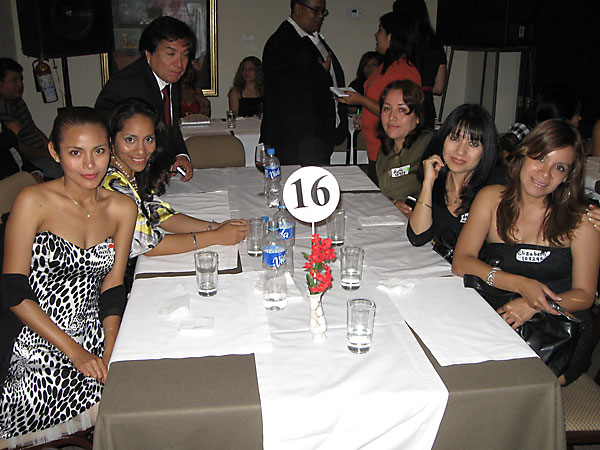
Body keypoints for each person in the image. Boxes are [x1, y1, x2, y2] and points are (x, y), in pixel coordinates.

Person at [0, 107, 136, 441]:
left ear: (110, 150)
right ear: (54, 152)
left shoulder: (122, 208)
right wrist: (75, 352)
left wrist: (111, 346)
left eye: (99, 151)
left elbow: (113, 285)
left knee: (139, 393)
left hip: (95, 332)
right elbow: (13, 290)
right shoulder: (33, 200)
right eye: (75, 153)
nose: (90, 165)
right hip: (35, 339)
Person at [452, 119, 600, 385]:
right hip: (500, 314)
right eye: (540, 158)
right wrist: (521, 285)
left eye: (559, 167)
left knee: (514, 386)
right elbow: (461, 262)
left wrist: (533, 304)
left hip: (559, 329)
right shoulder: (491, 199)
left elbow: (585, 295)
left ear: (568, 176)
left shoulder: (582, 220)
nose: (545, 174)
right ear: (523, 155)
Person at [103, 98, 248, 259]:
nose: (141, 150)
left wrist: (215, 227)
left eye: (148, 139)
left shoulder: (131, 173)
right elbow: (147, 245)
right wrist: (216, 237)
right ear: (111, 141)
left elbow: (161, 215)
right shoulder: (111, 183)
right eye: (130, 140)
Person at [95, 16, 195, 181]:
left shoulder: (170, 80)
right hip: (126, 179)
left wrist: (180, 155)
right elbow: (103, 138)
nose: (180, 64)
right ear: (148, 54)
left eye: (185, 55)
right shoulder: (127, 85)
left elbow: (170, 127)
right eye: (171, 54)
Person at [261, 0, 348, 165]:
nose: (321, 16)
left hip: (315, 139)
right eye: (316, 10)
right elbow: (284, 90)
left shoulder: (312, 38)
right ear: (298, 8)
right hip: (294, 142)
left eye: (323, 11)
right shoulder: (281, 41)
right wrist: (320, 73)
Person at [339, 12, 421, 183]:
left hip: (389, 151)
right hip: (375, 149)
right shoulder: (386, 66)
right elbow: (377, 102)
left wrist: (361, 100)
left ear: (391, 37)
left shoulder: (404, 71)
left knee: (387, 194)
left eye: (380, 30)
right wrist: (362, 113)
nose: (376, 35)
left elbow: (398, 113)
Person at [407, 104, 502, 251]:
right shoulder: (438, 179)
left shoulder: (494, 189)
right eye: (455, 138)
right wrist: (428, 183)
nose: (460, 151)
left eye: (473, 144)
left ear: (485, 150)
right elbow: (417, 237)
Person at [375, 80, 433, 216]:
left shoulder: (429, 145)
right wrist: (394, 203)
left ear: (418, 117)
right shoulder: (386, 147)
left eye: (402, 110)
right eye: (387, 109)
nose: (391, 117)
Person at [0, 57, 61, 179]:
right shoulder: (3, 108)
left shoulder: (18, 101)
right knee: (62, 169)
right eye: (14, 80)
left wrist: (50, 147)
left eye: (21, 79)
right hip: (31, 160)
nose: (20, 84)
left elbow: (33, 128)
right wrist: (47, 154)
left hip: (43, 152)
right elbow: (19, 148)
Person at [393, 0, 447, 129]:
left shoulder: (401, 45)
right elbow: (439, 88)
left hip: (403, 104)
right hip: (426, 105)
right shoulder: (435, 44)